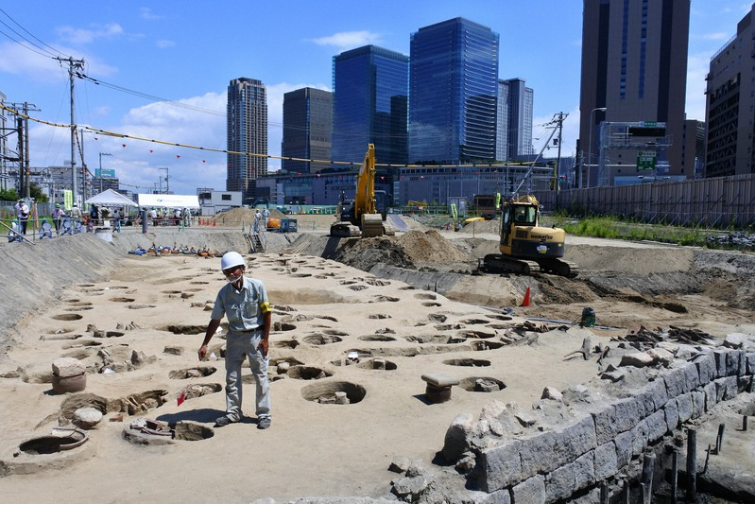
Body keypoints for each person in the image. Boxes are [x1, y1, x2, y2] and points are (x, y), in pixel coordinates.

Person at [198, 251, 272, 429]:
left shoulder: (257, 286)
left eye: (234, 270)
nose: (231, 274)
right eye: (227, 271)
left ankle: (263, 414)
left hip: (256, 336)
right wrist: (205, 343)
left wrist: (265, 338)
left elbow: (267, 312)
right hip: (234, 337)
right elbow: (216, 319)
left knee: (260, 376)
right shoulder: (223, 293)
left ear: (243, 269)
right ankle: (233, 413)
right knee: (231, 377)